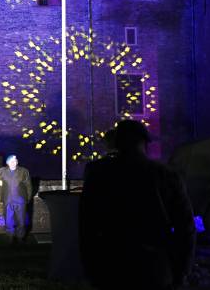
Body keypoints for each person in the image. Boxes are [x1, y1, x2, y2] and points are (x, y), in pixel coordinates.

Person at [79, 120, 196, 290]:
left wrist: (90, 268)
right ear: (145, 142)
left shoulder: (98, 173)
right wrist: (182, 271)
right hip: (154, 266)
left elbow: (87, 224)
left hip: (111, 264)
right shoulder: (166, 174)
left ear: (117, 142)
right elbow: (185, 228)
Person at [0, 154, 33, 243]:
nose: (14, 163)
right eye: (12, 161)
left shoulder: (24, 171)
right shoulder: (1, 172)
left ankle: (20, 238)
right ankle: (10, 237)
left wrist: (27, 198)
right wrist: (0, 198)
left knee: (21, 221)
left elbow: (29, 186)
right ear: (7, 162)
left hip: (21, 201)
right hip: (7, 200)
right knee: (8, 221)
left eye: (15, 161)